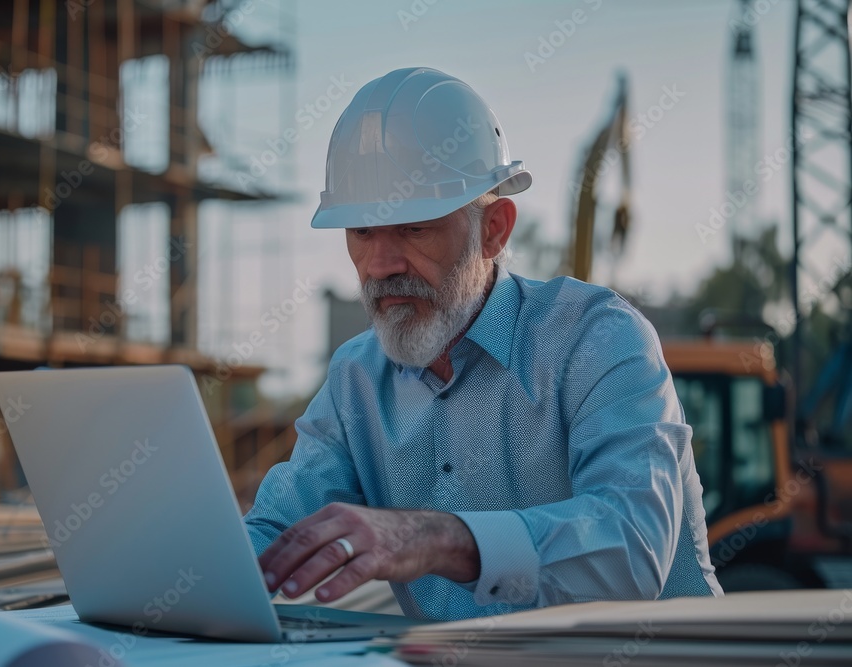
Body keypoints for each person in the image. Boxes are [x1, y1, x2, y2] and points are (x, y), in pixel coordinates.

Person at [243, 67, 722, 621]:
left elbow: (631, 551)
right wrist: (186, 574)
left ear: (494, 229)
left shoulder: (599, 340)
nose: (379, 265)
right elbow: (278, 532)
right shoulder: (356, 379)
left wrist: (436, 539)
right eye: (363, 231)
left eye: (414, 227)